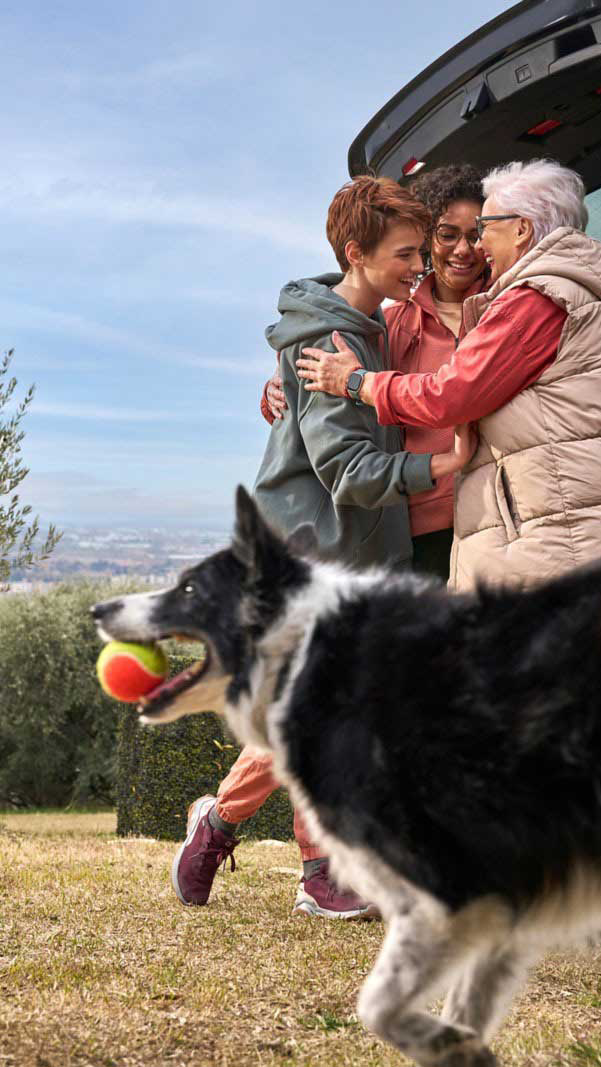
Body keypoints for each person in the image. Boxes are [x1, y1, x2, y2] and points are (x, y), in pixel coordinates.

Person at [171, 175, 475, 915]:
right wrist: (439, 464)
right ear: (356, 253)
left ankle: (225, 830)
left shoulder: (360, 327)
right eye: (407, 253)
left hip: (347, 548)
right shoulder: (330, 336)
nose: (419, 267)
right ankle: (306, 866)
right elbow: (343, 467)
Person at [266, 164, 601, 578]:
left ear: (518, 232)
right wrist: (283, 391)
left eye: (477, 232)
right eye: (448, 235)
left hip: (508, 514)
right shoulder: (392, 324)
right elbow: (327, 410)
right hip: (423, 518)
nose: (467, 247)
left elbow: (597, 353)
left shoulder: (518, 300)